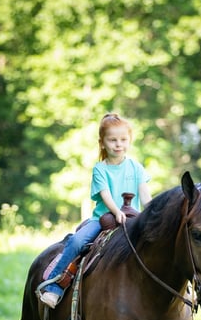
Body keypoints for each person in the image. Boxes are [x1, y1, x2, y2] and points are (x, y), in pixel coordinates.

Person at [39, 113, 152, 309]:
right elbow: (106, 194)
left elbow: (145, 197)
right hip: (103, 219)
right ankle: (55, 287)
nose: (118, 144)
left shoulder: (137, 168)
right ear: (102, 143)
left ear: (130, 141)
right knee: (76, 241)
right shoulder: (100, 169)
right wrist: (117, 211)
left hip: (132, 221)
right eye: (113, 140)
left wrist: (151, 216)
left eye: (123, 140)